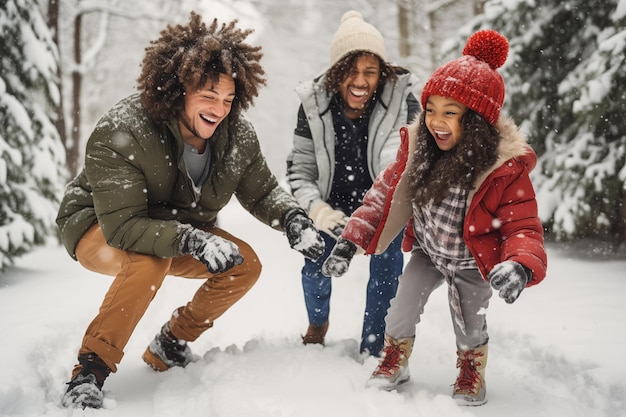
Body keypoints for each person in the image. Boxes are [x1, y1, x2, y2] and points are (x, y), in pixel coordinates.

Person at [56, 12, 325, 409]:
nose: (220, 109)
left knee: (243, 264)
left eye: (229, 99)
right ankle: (89, 372)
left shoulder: (236, 136)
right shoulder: (125, 129)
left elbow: (262, 190)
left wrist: (291, 218)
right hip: (97, 224)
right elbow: (125, 227)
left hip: (175, 231)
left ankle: (170, 343)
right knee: (149, 262)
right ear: (179, 87)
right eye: (209, 96)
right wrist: (188, 238)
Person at [321, 29, 548, 405]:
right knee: (401, 308)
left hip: (472, 262)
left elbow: (522, 224)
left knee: (469, 323)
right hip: (428, 252)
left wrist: (521, 265)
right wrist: (350, 241)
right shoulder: (419, 154)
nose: (436, 122)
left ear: (475, 121)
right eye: (431, 110)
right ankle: (395, 358)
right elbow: (381, 198)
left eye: (451, 113)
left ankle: (471, 368)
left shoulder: (502, 169)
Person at [285, 10, 420, 357]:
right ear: (336, 73)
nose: (360, 81)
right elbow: (300, 170)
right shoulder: (313, 106)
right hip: (330, 204)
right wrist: (318, 210)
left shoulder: (401, 101)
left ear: (382, 74)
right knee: (314, 261)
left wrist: (378, 211)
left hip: (379, 202)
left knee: (387, 258)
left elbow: (398, 161)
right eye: (351, 70)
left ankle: (374, 346)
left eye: (370, 72)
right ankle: (318, 324)